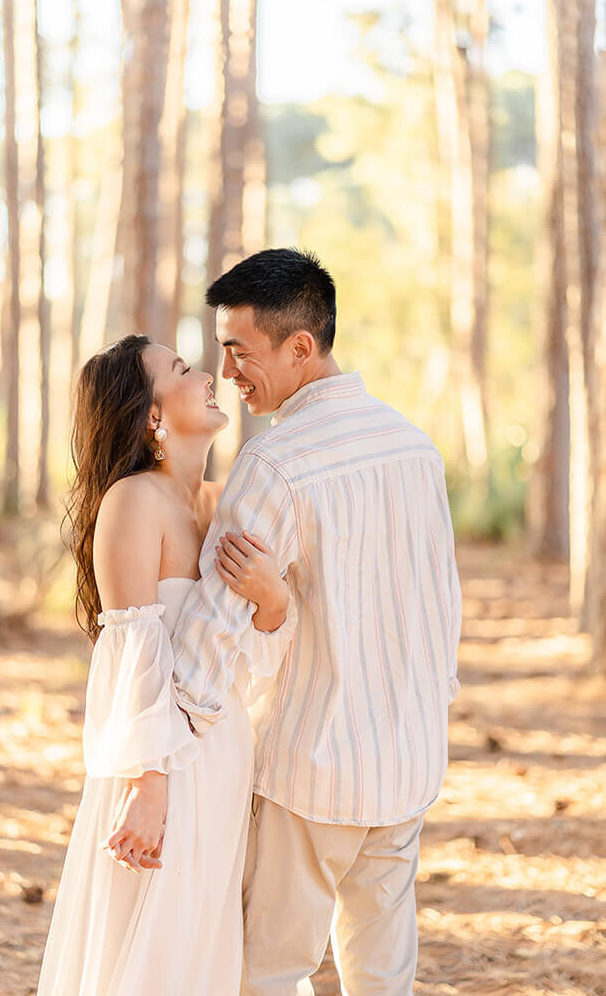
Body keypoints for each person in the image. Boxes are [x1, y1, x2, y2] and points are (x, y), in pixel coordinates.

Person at [168, 247, 462, 996]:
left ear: (302, 346)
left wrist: (168, 747)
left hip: (314, 769)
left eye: (240, 351)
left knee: (267, 973)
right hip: (408, 760)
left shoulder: (275, 463)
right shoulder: (413, 446)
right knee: (382, 978)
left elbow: (214, 623)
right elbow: (442, 607)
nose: (227, 372)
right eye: (221, 350)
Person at [36, 334, 297, 996]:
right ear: (153, 417)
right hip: (161, 765)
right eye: (181, 369)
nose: (208, 373)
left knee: (207, 939)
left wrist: (273, 600)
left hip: (226, 752)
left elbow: (252, 661)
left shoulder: (224, 504)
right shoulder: (133, 501)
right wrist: (146, 786)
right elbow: (131, 655)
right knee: (155, 944)